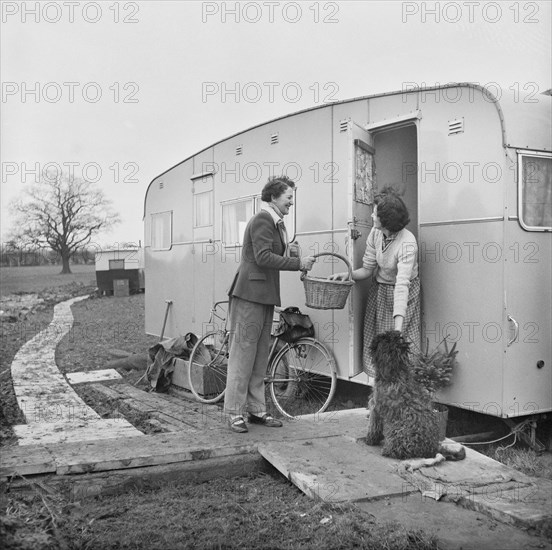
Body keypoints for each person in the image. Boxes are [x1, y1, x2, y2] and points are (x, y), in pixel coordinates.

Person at [224, 175, 316, 433]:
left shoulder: (275, 223)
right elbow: (264, 257)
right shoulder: (263, 220)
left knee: (260, 355)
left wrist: (291, 253)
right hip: (250, 295)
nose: (291, 203)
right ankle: (233, 412)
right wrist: (298, 263)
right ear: (274, 197)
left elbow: (270, 254)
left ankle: (256, 411)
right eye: (288, 198)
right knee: (243, 355)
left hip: (263, 296)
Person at [330, 187, 420, 377]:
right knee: (379, 341)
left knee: (401, 341)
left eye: (375, 212)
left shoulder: (407, 242)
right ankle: (379, 384)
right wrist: (348, 275)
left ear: (385, 220)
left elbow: (402, 285)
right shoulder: (375, 233)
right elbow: (367, 269)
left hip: (404, 294)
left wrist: (397, 330)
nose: (371, 215)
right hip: (380, 291)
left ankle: (402, 385)